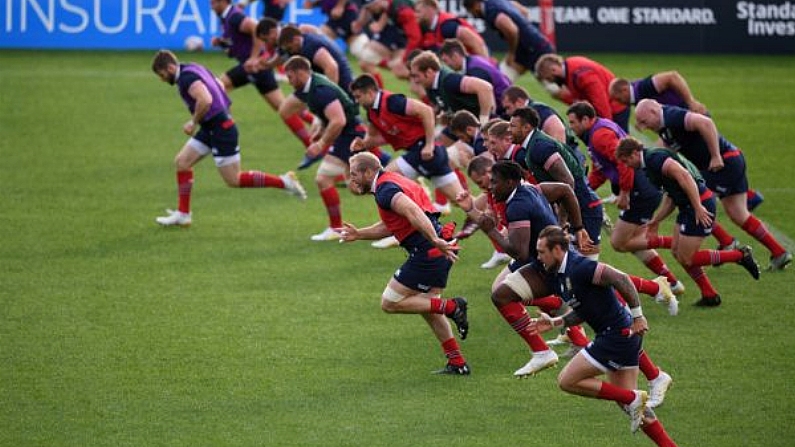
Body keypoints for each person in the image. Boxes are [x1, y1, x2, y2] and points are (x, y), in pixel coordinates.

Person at [530, 225, 680, 445]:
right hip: (621, 336)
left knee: (567, 381)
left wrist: (638, 316)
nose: (539, 257)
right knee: (632, 408)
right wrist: (557, 322)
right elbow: (583, 308)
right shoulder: (561, 274)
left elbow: (621, 279)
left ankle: (633, 397)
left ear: (557, 250)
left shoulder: (579, 267)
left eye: (542, 252)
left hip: (617, 335)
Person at [457, 160, 592, 377]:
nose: (491, 186)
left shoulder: (517, 205)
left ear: (510, 182)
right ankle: (554, 341)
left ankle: (544, 349)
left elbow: (518, 251)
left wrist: (491, 232)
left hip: (547, 266)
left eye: (495, 182)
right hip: (542, 261)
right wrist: (576, 227)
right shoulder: (531, 188)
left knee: (503, 296)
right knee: (502, 293)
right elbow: (565, 190)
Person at [340, 152, 471, 375]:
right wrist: (359, 234)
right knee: (428, 308)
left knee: (390, 303)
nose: (351, 180)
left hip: (428, 252)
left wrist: (434, 240)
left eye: (354, 174)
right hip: (436, 248)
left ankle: (452, 307)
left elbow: (413, 211)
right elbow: (391, 224)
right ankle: (457, 363)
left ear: (368, 172)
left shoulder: (385, 190)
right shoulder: (390, 181)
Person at [150, 50, 306, 226]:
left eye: (162, 75)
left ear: (170, 67)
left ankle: (285, 182)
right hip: (212, 126)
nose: (162, 79)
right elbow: (218, 84)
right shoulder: (193, 67)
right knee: (182, 162)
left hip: (221, 129)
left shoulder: (186, 79)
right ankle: (184, 214)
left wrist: (193, 122)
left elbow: (206, 99)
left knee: (234, 180)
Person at [634, 99, 791, 271]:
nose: (642, 127)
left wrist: (716, 156)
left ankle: (729, 245)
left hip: (723, 165)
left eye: (643, 122)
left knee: (693, 198)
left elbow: (706, 122)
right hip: (731, 160)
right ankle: (779, 252)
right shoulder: (663, 126)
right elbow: (664, 149)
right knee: (738, 214)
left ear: (654, 112)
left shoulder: (672, 117)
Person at [567, 101, 684, 315]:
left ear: (586, 119)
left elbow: (623, 162)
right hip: (642, 188)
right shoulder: (597, 132)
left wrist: (625, 192)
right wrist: (582, 190)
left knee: (619, 242)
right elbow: (601, 170)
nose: (571, 126)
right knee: (634, 243)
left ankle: (675, 251)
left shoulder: (599, 135)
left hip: (640, 189)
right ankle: (671, 283)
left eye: (573, 122)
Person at [616, 137, 762, 306]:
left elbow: (685, 176)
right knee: (677, 251)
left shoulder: (654, 159)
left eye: (626, 161)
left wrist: (698, 206)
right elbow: (672, 196)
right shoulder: (649, 164)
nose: (626, 165)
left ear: (634, 153)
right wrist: (656, 220)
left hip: (699, 204)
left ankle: (739, 255)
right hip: (687, 206)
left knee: (687, 258)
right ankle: (709, 295)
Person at [348, 74, 466, 245]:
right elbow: (381, 137)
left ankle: (397, 231)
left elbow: (426, 111)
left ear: (371, 92)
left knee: (382, 180)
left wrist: (429, 144)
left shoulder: (392, 101)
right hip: (420, 154)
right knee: (463, 201)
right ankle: (494, 224)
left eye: (359, 96)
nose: (357, 101)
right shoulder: (372, 112)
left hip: (424, 151)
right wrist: (363, 143)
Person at [278, 56, 365, 241]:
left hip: (350, 135)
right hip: (349, 133)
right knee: (357, 187)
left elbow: (339, 120)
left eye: (291, 77)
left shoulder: (320, 90)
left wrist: (321, 144)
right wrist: (320, 126)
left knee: (324, 178)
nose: (289, 81)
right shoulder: (309, 87)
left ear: (301, 73)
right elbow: (327, 115)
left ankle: (335, 228)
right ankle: (396, 175)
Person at [209, 0, 313, 150]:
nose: (211, 6)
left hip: (253, 66)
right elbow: (237, 42)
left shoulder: (234, 16)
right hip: (255, 68)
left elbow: (255, 28)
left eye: (214, 2)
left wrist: (254, 57)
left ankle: (225, 129)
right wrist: (222, 42)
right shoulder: (226, 18)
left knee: (218, 86)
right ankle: (315, 134)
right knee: (283, 107)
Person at [510, 107, 603, 259]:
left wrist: (562, 221)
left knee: (586, 270)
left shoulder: (539, 147)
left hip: (584, 211)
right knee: (569, 267)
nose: (509, 130)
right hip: (578, 210)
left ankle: (648, 283)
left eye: (513, 126)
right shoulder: (532, 146)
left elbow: (567, 182)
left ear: (526, 127)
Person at [409, 51, 495, 146]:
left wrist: (483, 122)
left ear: (429, 72)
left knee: (458, 154)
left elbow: (485, 88)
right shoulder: (431, 87)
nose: (415, 81)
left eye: (416, 76)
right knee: (439, 146)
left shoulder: (450, 80)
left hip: (480, 125)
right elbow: (444, 111)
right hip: (462, 125)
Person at [462, 0, 554, 81]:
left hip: (535, 49)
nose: (473, 14)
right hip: (528, 47)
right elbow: (524, 12)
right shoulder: (500, 1)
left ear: (475, 5)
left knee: (553, 86)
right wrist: (526, 30)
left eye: (471, 11)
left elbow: (512, 30)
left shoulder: (491, 11)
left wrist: (512, 52)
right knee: (503, 78)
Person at [534, 53, 630, 132]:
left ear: (554, 70)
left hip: (615, 107)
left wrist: (608, 128)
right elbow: (582, 101)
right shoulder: (570, 67)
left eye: (549, 78)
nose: (552, 82)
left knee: (620, 148)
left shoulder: (581, 74)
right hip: (611, 105)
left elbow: (600, 101)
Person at [500, 85, 586, 168]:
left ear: (519, 102)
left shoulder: (537, 109)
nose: (507, 113)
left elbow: (558, 129)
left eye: (508, 107)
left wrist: (558, 160)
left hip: (570, 156)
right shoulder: (534, 110)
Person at [352, 0, 422, 83]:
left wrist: (405, 60)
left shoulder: (403, 12)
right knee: (365, 62)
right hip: (396, 34)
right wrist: (359, 23)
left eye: (371, 6)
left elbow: (415, 37)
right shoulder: (386, 7)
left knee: (406, 75)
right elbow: (370, 9)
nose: (370, 10)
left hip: (408, 41)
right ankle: (378, 93)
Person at [438, 39, 512, 117]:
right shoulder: (473, 60)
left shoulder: (475, 71)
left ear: (455, 56)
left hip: (504, 107)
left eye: (446, 61)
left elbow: (488, 97)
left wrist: (487, 120)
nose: (447, 65)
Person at [277, 24, 356, 91]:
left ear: (296, 39)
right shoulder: (304, 39)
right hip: (340, 79)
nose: (290, 52)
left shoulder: (310, 47)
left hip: (342, 83)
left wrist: (330, 94)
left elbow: (332, 67)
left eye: (289, 48)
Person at [609, 70, 707, 115]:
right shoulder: (636, 96)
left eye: (618, 99)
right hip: (681, 117)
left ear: (624, 90)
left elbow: (672, 77)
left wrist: (691, 102)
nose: (619, 103)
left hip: (690, 114)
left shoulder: (643, 88)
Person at [414, 0, 489, 57]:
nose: (415, 15)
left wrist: (485, 67)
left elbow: (477, 43)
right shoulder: (428, 29)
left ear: (430, 9)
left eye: (418, 12)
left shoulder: (447, 26)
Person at [304, 0, 371, 61]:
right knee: (318, 40)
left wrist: (340, 6)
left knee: (362, 53)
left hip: (346, 15)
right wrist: (312, 5)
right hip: (335, 20)